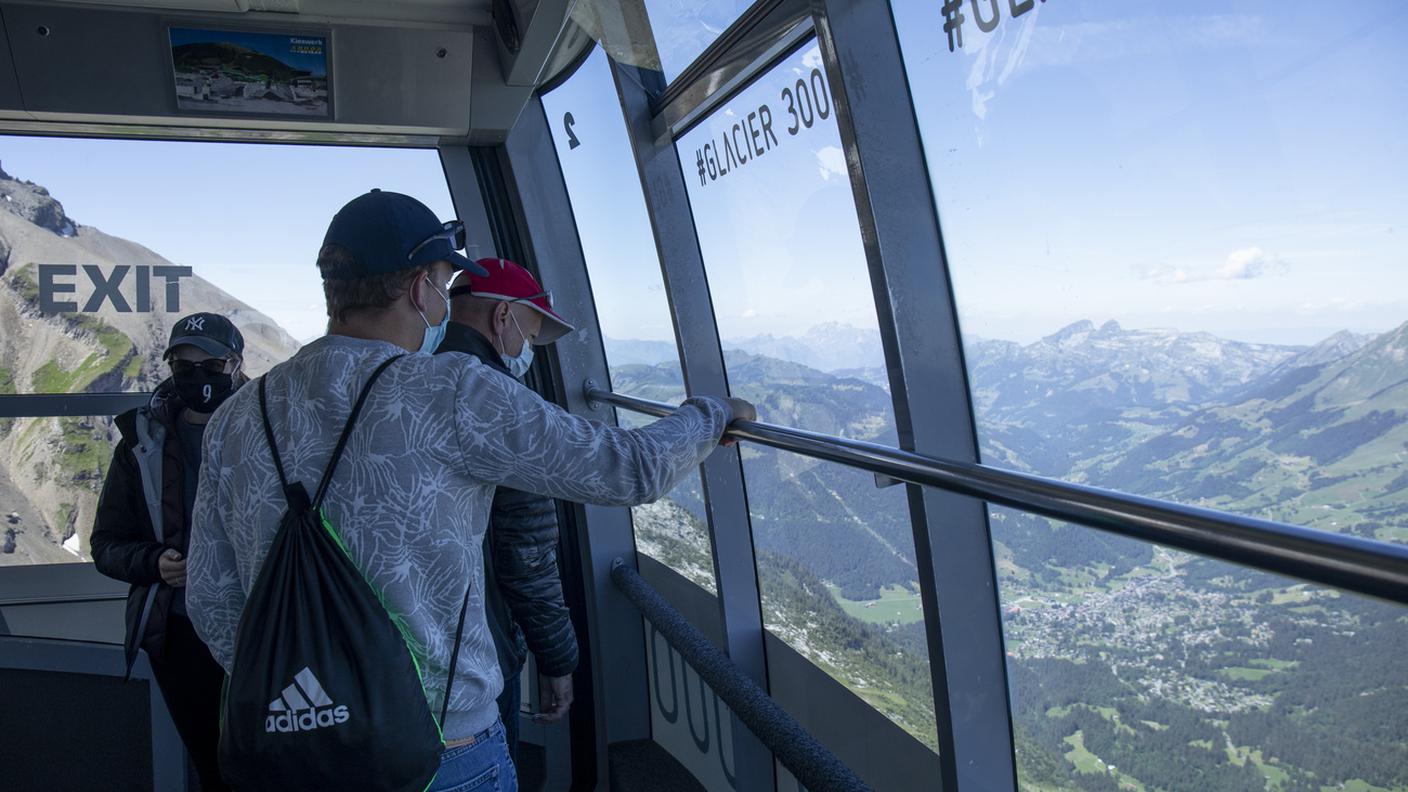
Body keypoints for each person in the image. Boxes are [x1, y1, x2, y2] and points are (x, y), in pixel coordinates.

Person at [186, 190, 754, 791]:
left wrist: (318, 704)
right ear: (418, 289)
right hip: (442, 746)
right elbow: (628, 468)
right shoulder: (451, 391)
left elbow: (210, 598)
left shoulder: (237, 416)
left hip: (295, 754)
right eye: (443, 279)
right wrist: (711, 416)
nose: (444, 298)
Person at [92, 312, 246, 792]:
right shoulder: (142, 444)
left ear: (236, 364)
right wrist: (154, 563)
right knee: (212, 766)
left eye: (211, 366)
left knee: (273, 762)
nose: (197, 377)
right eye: (184, 366)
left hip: (259, 629)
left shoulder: (270, 428)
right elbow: (106, 544)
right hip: (179, 635)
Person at [436, 258, 580, 766]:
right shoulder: (503, 404)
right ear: (503, 318)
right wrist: (557, 657)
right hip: (479, 651)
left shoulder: (408, 378)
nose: (530, 351)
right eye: (533, 333)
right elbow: (527, 554)